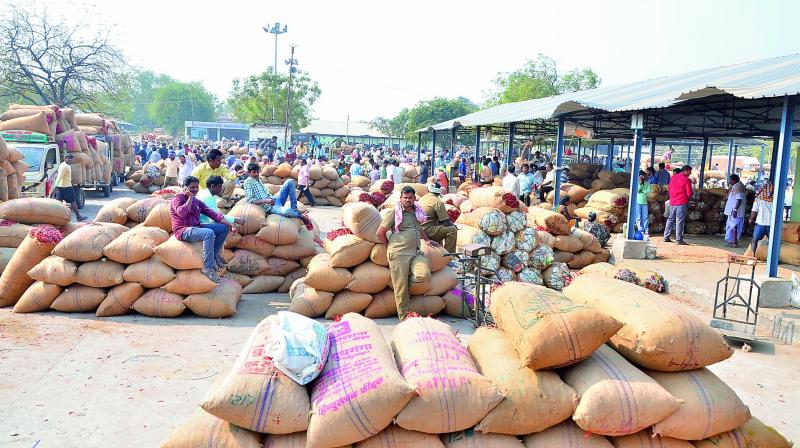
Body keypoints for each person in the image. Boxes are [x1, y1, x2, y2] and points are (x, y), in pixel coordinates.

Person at [377, 186, 432, 319]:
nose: (407, 200)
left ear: (414, 198)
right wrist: (389, 246)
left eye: (410, 198)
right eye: (405, 198)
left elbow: (419, 229)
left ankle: (407, 284)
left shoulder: (417, 212)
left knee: (424, 275)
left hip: (415, 252)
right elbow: (380, 233)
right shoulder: (394, 213)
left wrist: (427, 240)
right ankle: (404, 317)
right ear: (401, 198)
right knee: (401, 288)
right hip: (399, 254)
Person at [170, 176, 237, 282]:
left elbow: (213, 214)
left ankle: (214, 257)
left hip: (196, 227)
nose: (195, 190)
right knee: (208, 233)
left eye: (197, 187)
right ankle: (208, 267)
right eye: (192, 187)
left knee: (223, 228)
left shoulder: (197, 201)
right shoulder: (177, 199)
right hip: (183, 230)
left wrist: (231, 225)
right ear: (185, 188)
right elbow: (181, 213)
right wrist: (190, 198)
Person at [243, 162, 314, 228]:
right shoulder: (248, 182)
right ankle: (300, 216)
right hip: (269, 208)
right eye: (254, 172)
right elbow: (250, 200)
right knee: (287, 211)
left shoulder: (259, 179)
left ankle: (294, 208)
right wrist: (266, 201)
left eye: (257, 171)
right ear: (249, 173)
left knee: (290, 181)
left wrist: (271, 199)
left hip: (274, 199)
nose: (256, 174)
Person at [419, 182, 457, 253]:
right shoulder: (438, 202)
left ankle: (438, 252)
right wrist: (454, 225)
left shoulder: (422, 199)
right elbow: (446, 222)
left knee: (439, 227)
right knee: (452, 230)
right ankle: (448, 255)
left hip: (419, 229)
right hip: (427, 230)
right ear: (439, 192)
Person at [52, 153, 87, 221]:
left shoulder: (64, 165)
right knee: (66, 203)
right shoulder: (65, 166)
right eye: (68, 158)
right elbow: (59, 177)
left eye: (71, 159)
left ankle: (77, 217)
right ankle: (77, 217)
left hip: (65, 186)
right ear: (65, 159)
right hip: (64, 187)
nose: (70, 160)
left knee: (69, 202)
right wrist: (55, 187)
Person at [664, 165, 693, 245]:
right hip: (682, 202)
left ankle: (666, 237)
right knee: (679, 221)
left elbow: (669, 188)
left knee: (670, 219)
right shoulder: (687, 180)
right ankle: (679, 239)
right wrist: (689, 196)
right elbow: (689, 193)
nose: (690, 173)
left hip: (673, 201)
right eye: (690, 171)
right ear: (686, 171)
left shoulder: (673, 177)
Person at [749, 182, 773, 255]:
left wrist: (751, 220)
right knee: (772, 242)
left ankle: (753, 255)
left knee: (755, 240)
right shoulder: (775, 200)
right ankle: (772, 256)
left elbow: (754, 212)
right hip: (772, 225)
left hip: (760, 224)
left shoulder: (758, 199)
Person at [723, 174, 746, 248]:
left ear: (733, 180)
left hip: (735, 211)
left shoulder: (738, 187)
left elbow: (738, 200)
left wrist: (735, 210)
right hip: (732, 210)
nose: (729, 181)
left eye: (730, 180)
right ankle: (732, 241)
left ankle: (735, 242)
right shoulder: (736, 186)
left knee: (734, 226)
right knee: (732, 225)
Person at [635, 170, 651, 235]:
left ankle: (646, 229)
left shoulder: (647, 183)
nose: (642, 177)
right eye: (641, 176)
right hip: (638, 202)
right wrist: (640, 184)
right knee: (638, 217)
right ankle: (640, 229)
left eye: (643, 176)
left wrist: (642, 190)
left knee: (645, 216)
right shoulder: (637, 183)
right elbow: (637, 190)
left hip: (644, 202)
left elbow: (648, 190)